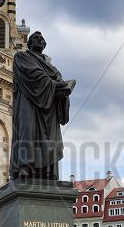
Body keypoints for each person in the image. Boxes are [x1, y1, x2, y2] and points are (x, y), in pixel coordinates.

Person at [10, 31, 76, 180]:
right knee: (28, 132)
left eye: (41, 39)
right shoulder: (21, 57)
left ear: (45, 45)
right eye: (36, 38)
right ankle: (25, 167)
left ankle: (47, 170)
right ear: (30, 43)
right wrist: (57, 85)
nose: (39, 40)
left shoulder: (51, 66)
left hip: (49, 108)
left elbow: (59, 81)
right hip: (29, 103)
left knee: (50, 139)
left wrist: (63, 91)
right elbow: (33, 76)